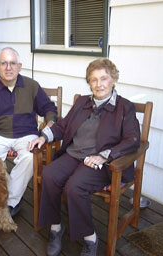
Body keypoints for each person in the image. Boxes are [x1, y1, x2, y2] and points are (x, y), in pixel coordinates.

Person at [29, 58, 140, 256]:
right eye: (94, 80)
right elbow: (62, 126)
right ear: (89, 82)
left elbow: (132, 140)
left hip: (101, 163)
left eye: (104, 78)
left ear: (113, 79)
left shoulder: (125, 107)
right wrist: (44, 137)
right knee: (50, 175)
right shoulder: (82, 102)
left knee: (74, 187)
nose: (99, 84)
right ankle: (56, 228)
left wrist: (105, 156)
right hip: (73, 155)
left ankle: (90, 238)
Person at [0, 47, 58, 217]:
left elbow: (49, 108)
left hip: (26, 135)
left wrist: (50, 124)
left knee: (30, 157)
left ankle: (11, 202)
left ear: (19, 66)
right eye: (4, 63)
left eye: (12, 63)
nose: (8, 67)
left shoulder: (31, 86)